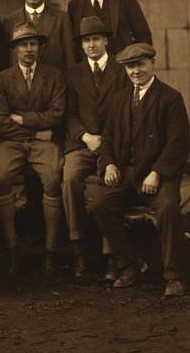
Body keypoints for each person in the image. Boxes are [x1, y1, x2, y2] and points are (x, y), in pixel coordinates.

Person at [85, 43, 190, 297]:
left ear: (153, 64)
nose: (135, 71)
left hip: (156, 175)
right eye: (130, 67)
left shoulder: (170, 98)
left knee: (167, 208)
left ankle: (173, 276)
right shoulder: (118, 99)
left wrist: (158, 173)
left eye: (140, 64)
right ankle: (131, 261)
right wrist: (108, 163)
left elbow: (178, 143)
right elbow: (107, 139)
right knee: (98, 204)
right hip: (125, 173)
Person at [0, 22, 66, 278]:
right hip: (11, 142)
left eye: (33, 44)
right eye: (23, 44)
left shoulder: (54, 75)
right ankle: (12, 250)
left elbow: (56, 115)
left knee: (54, 178)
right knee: (0, 177)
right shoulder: (2, 79)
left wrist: (22, 119)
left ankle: (51, 252)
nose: (29, 49)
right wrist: (35, 129)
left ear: (39, 47)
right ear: (15, 49)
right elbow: (0, 120)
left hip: (44, 144)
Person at [62, 16, 130, 282]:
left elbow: (127, 113)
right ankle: (79, 248)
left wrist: (108, 142)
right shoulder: (74, 73)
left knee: (109, 182)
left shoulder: (121, 70)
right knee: (69, 180)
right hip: (83, 144)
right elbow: (69, 115)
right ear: (81, 45)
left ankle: (110, 254)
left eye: (96, 39)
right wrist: (85, 136)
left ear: (106, 41)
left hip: (113, 146)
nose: (91, 44)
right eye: (86, 40)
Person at [1, 0, 75, 70]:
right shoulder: (10, 21)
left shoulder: (61, 18)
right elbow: (5, 60)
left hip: (55, 84)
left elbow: (70, 58)